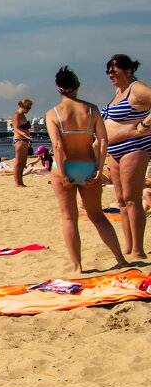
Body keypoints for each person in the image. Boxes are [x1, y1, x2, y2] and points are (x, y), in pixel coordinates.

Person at [46, 66, 126, 273]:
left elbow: (57, 146)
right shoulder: (92, 110)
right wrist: (100, 168)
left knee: (69, 218)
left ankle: (78, 267)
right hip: (89, 165)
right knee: (98, 216)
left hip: (65, 166)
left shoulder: (53, 113)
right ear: (77, 86)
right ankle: (120, 259)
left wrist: (63, 174)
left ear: (58, 89)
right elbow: (102, 140)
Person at [101, 53, 150, 260]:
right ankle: (129, 247)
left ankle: (138, 249)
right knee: (121, 201)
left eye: (114, 71)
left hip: (134, 147)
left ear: (128, 71)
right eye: (108, 72)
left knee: (132, 199)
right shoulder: (118, 91)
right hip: (115, 151)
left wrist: (144, 125)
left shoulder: (136, 88)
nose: (110, 75)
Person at [12, 97, 35, 187]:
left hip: (25, 140)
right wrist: (25, 135)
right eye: (27, 107)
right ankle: (17, 183)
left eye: (30, 107)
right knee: (19, 162)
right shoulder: (16, 115)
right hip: (19, 140)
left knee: (23, 162)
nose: (28, 109)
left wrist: (27, 137)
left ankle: (21, 182)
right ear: (22, 106)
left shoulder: (23, 115)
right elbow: (16, 128)